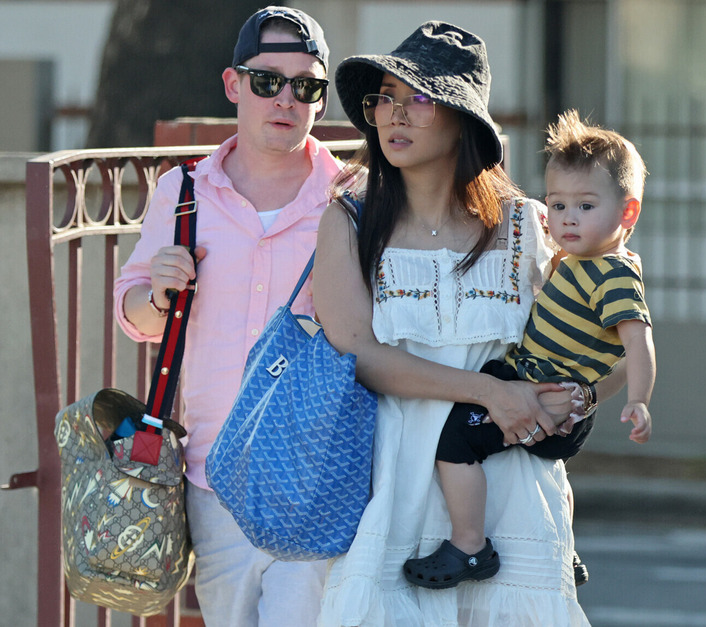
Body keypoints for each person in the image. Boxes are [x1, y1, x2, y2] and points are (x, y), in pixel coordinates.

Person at [313, 21, 611, 627]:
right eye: (384, 99)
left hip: (512, 485)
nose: (394, 115)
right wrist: (489, 392)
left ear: (462, 119)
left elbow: (603, 329)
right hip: (393, 481)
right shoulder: (347, 219)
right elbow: (358, 353)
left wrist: (578, 398)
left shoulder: (531, 224)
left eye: (418, 99)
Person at [113, 7, 343, 626]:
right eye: (268, 80)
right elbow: (132, 311)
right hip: (213, 478)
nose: (287, 99)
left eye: (307, 86)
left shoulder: (350, 197)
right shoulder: (182, 191)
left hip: (313, 474)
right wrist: (157, 291)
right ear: (232, 85)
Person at [404, 109, 655, 592]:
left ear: (627, 213)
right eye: (558, 204)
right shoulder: (577, 259)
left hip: (550, 396)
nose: (567, 218)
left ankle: (470, 547)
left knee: (454, 443)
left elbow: (638, 343)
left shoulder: (615, 274)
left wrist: (638, 399)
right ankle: (566, 546)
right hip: (530, 378)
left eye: (585, 205)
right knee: (544, 464)